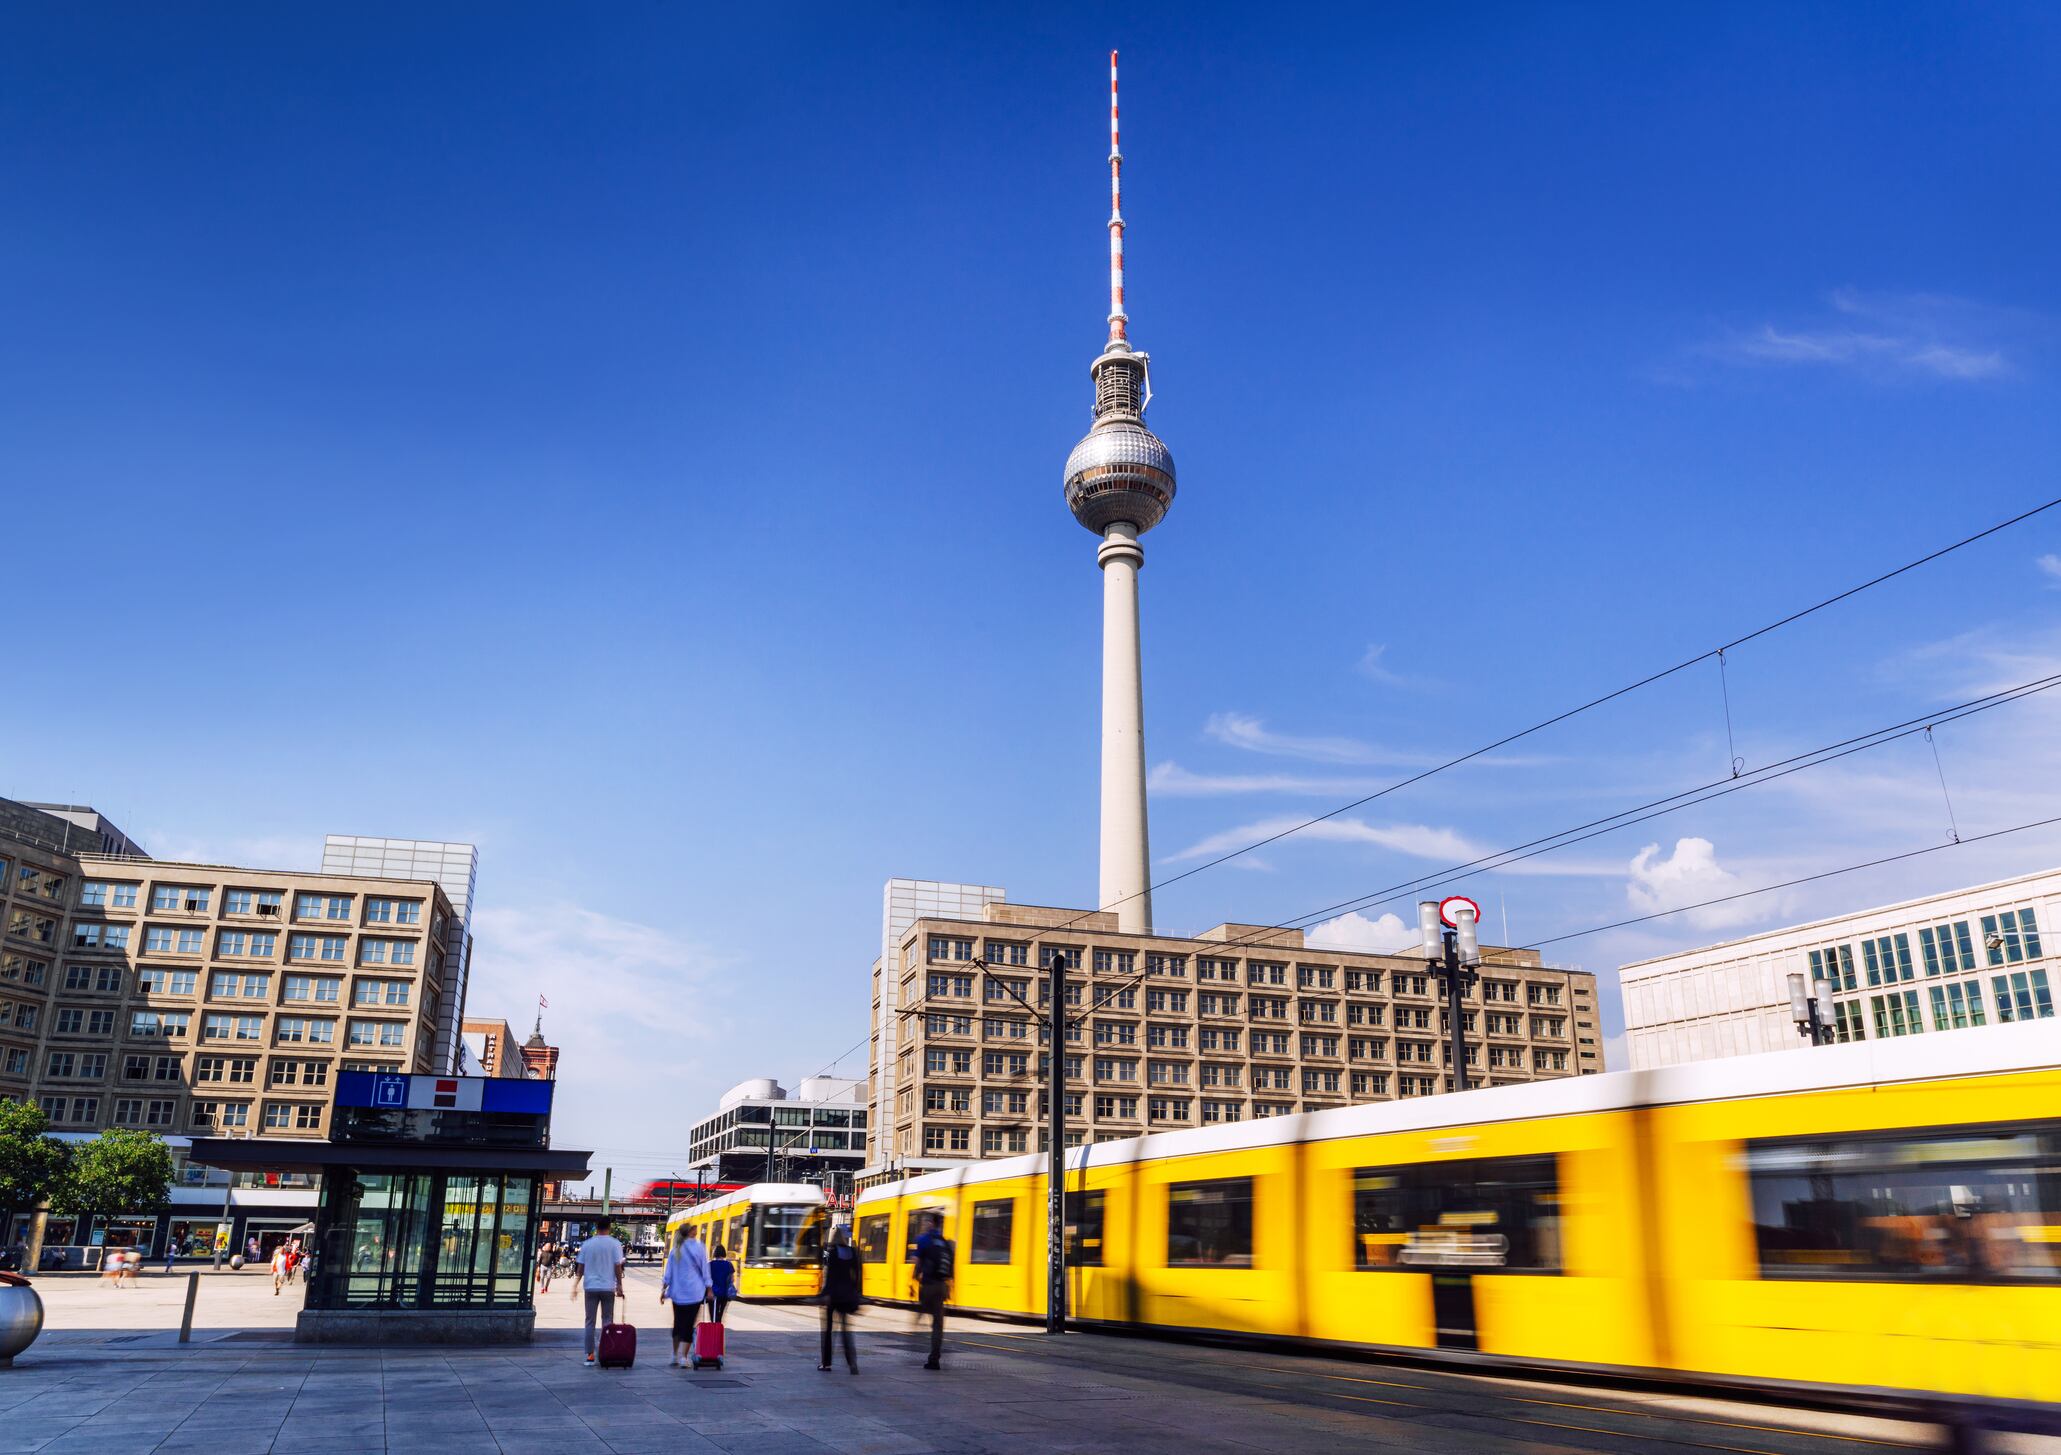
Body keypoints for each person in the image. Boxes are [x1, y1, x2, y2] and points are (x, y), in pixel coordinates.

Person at [659, 1225, 712, 1368]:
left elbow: (668, 1274)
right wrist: (709, 1288)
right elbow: (705, 1269)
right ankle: (684, 1358)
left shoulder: (675, 1249)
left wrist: (663, 1289)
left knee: (678, 1324)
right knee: (688, 1325)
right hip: (694, 1293)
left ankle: (674, 1355)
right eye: (694, 1229)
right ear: (691, 1232)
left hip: (677, 1293)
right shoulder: (699, 1247)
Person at [576, 1221, 627, 1366]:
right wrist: (619, 1285)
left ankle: (590, 1355)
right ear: (609, 1227)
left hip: (591, 1287)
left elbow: (580, 1267)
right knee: (607, 1321)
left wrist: (575, 1285)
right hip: (607, 1287)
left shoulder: (587, 1244)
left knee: (589, 1321)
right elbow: (618, 1266)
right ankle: (605, 1351)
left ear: (596, 1227)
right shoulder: (615, 1243)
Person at [910, 1213, 953, 1371]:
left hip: (928, 1285)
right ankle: (934, 1359)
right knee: (937, 1325)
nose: (924, 1224)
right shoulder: (945, 1242)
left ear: (930, 1223)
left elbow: (917, 1261)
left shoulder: (924, 1239)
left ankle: (914, 1334)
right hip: (941, 1286)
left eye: (925, 1221)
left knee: (921, 1312)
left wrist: (913, 1279)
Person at [819, 1225, 860, 1374]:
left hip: (834, 1296)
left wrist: (824, 1294)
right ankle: (852, 1363)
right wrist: (855, 1292)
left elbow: (830, 1277)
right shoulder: (852, 1252)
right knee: (846, 1331)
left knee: (829, 1331)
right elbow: (857, 1276)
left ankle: (826, 1363)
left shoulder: (833, 1253)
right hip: (847, 1296)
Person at [707, 1243, 737, 1327]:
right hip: (725, 1293)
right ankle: (718, 1328)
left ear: (715, 1253)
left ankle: (713, 1330)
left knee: (713, 1314)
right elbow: (732, 1279)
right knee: (720, 1315)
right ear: (724, 1253)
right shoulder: (729, 1264)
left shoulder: (710, 1264)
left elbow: (706, 1279)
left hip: (712, 1293)